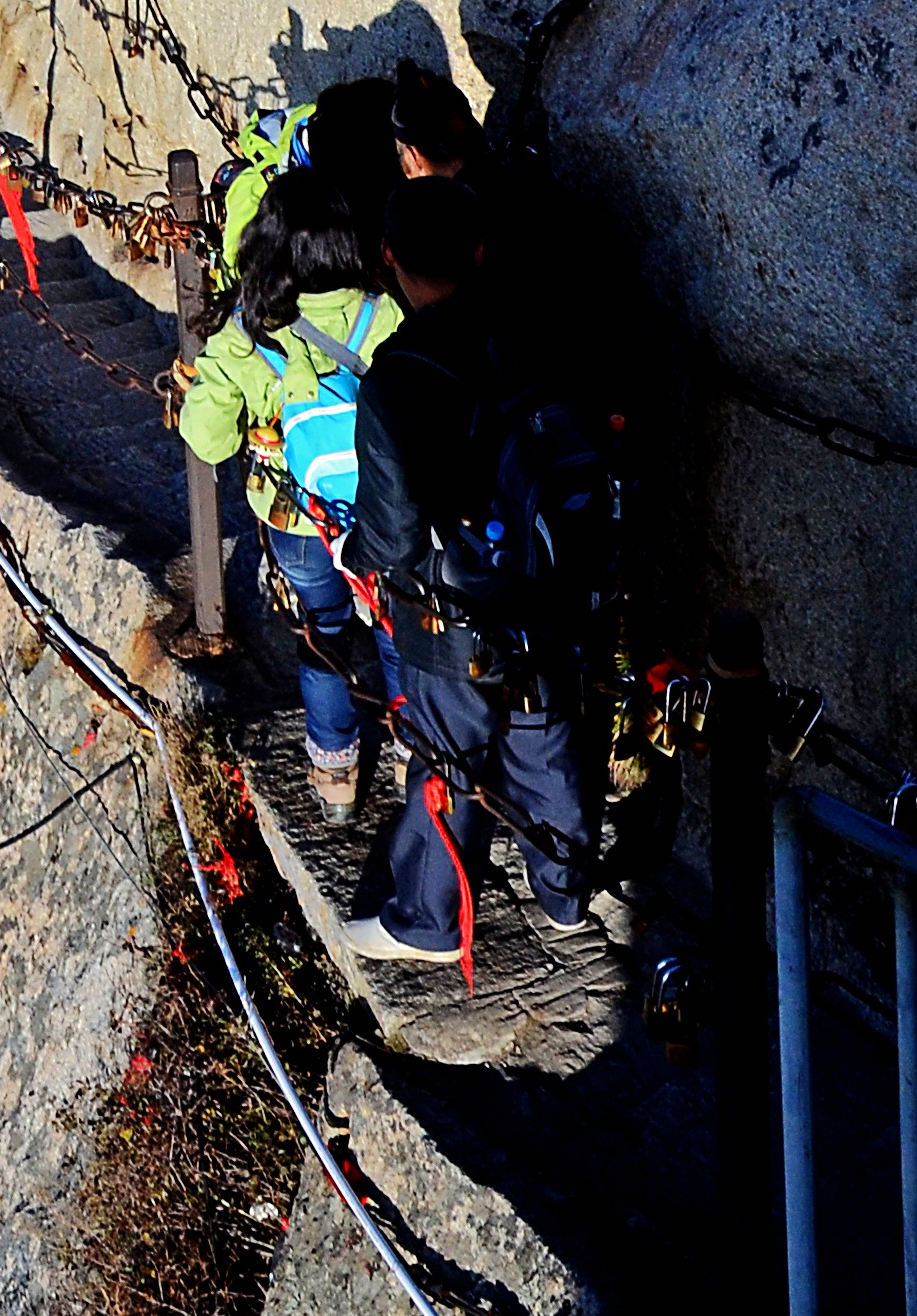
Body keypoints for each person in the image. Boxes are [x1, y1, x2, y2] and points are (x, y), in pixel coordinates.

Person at [342, 177, 600, 961]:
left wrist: (357, 562)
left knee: (449, 756)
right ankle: (564, 891)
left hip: (449, 614)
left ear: (388, 260)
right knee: (543, 732)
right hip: (549, 582)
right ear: (480, 252)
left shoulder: (395, 378)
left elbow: (389, 531)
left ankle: (426, 918)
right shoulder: (539, 326)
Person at [177, 185, 397, 821]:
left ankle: (337, 776)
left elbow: (208, 439)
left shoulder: (249, 334)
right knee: (392, 622)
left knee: (324, 628)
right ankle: (419, 752)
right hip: (382, 511)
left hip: (297, 516)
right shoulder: (380, 313)